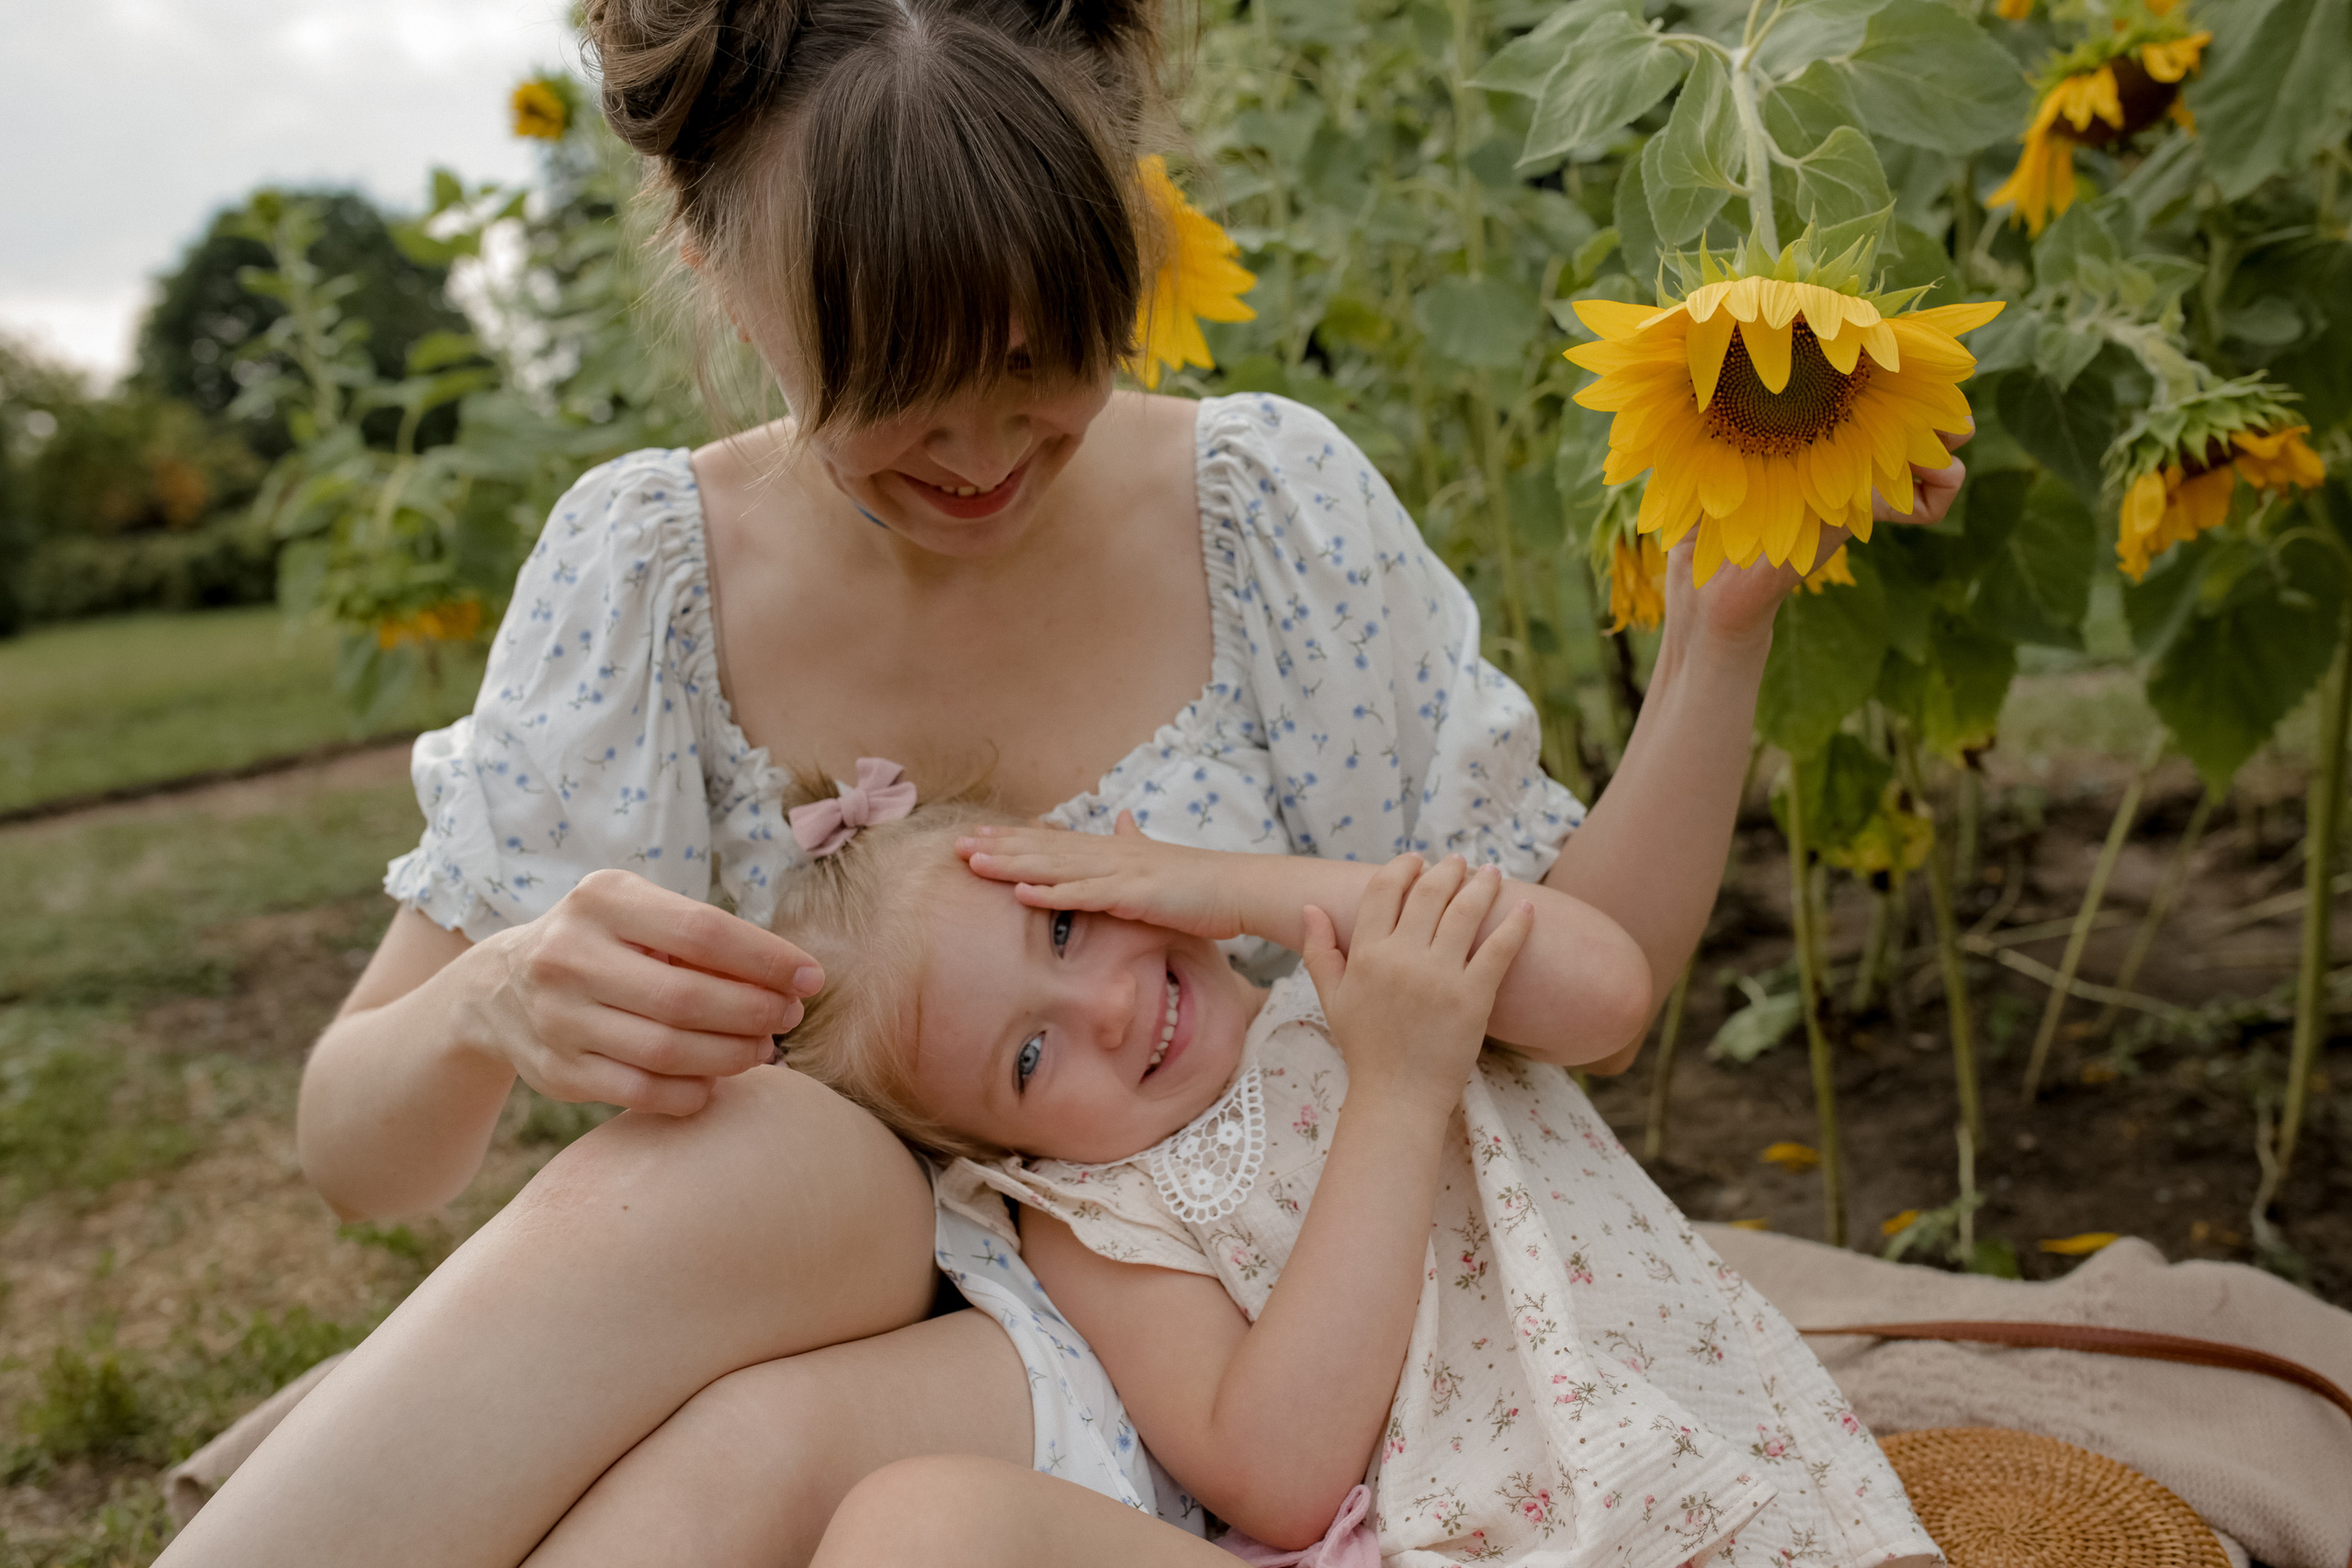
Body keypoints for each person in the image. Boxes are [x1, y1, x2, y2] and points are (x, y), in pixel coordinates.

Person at [153, 0, 1975, 1559]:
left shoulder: (1258, 510)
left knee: (756, 1475)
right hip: (890, 1305)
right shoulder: (646, 572)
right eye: (899, 390)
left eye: (1045, 359)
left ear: (1125, 231)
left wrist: (1717, 631)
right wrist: (491, 1001)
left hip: (1244, 1354)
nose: (979, 450)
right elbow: (356, 1140)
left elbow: (1576, 967)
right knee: (785, 1158)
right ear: (710, 271)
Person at [758, 783, 1935, 1568]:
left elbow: (1606, 990)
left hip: (1725, 1479)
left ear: (1114, 863)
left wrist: (1233, 880)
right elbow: (1276, 1476)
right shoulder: (1095, 1213)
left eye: (1066, 931)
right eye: (1026, 1056)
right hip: (1464, 1543)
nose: (1108, 1008)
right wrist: (1399, 1090)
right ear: (999, 1154)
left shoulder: (1376, 970)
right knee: (922, 1525)